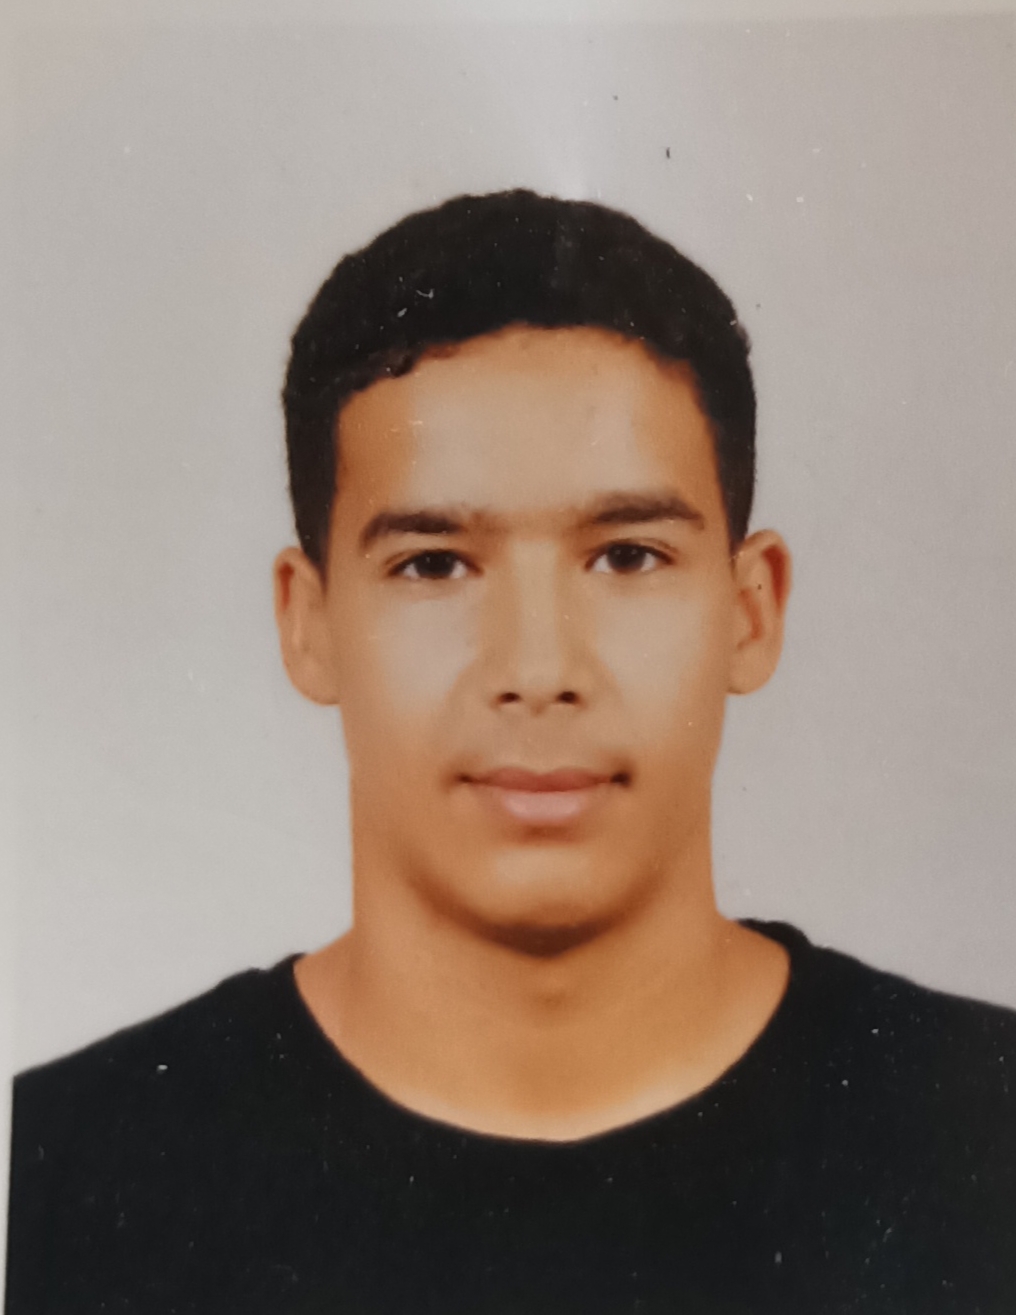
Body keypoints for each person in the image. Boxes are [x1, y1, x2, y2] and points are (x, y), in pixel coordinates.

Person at [5, 190, 1015, 1314]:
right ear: (309, 621)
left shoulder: (983, 1128)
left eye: (626, 556)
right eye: (433, 564)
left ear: (751, 610)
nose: (537, 668)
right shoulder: (66, 1173)